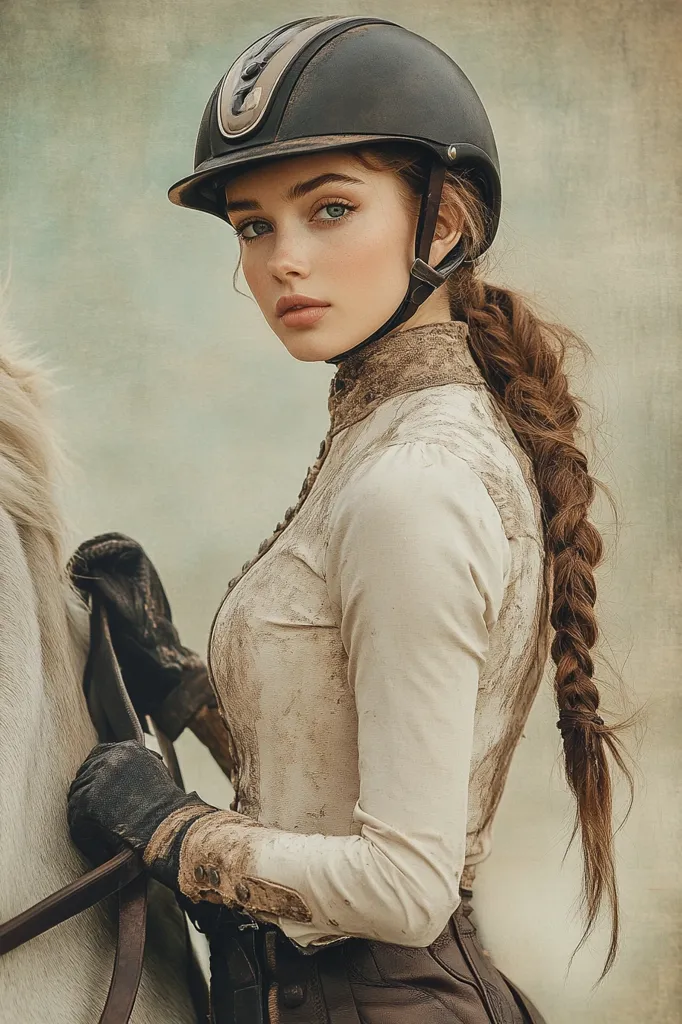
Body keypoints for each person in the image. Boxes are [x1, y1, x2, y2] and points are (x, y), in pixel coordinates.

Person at [67, 17, 632, 1023]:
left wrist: (174, 834)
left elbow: (404, 889)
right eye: (254, 226)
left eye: (330, 209)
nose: (284, 259)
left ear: (442, 224)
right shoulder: (386, 440)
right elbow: (328, 772)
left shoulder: (412, 481)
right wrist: (179, 684)